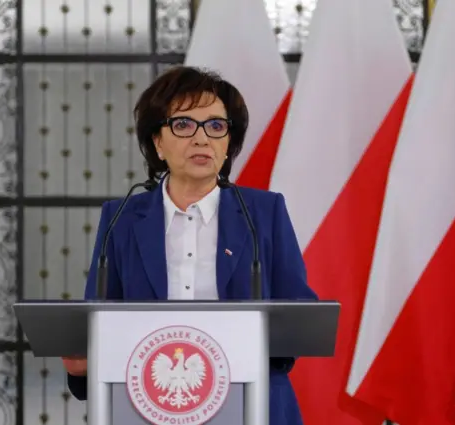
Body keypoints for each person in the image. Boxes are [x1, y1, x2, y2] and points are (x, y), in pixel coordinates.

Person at [62, 66, 317, 424]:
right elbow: (97, 322)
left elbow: (300, 313)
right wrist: (82, 366)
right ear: (157, 143)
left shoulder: (264, 212)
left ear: (228, 144)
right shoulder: (121, 218)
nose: (202, 139)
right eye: (183, 125)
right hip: (146, 405)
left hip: (252, 404)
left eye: (216, 126)